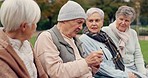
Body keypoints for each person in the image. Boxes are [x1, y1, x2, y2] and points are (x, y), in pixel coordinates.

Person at [34, 1, 103, 78]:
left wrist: (92, 67)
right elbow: (55, 72)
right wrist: (86, 62)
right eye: (78, 22)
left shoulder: (76, 40)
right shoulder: (47, 37)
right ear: (64, 20)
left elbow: (82, 69)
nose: (80, 27)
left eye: (82, 24)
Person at [79, 7, 147, 78]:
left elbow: (137, 55)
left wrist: (142, 74)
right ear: (86, 22)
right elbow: (101, 67)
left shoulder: (103, 36)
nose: (94, 24)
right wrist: (125, 75)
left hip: (122, 69)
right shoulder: (89, 38)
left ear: (102, 22)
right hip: (112, 73)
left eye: (97, 20)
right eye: (90, 21)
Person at [0, 0, 48, 78]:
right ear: (24, 26)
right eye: (34, 23)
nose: (36, 26)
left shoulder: (26, 43)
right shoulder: (2, 56)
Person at [102, 6, 148, 77]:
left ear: (130, 22)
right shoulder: (105, 31)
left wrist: (142, 73)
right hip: (117, 68)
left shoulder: (133, 33)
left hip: (133, 67)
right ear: (116, 18)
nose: (123, 23)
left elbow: (138, 55)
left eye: (126, 20)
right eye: (121, 19)